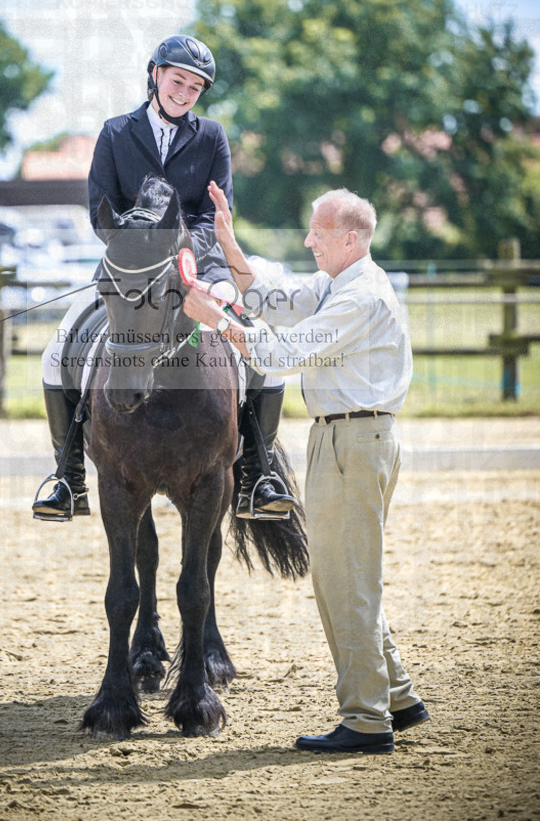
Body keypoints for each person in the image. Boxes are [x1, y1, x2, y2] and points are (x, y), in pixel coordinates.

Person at [183, 181, 430, 755]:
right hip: (349, 436)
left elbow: (283, 354)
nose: (307, 241)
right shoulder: (340, 281)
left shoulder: (358, 298)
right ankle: (396, 695)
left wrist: (217, 320)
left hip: (352, 440)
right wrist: (230, 247)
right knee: (350, 574)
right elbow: (278, 294)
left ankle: (367, 720)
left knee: (345, 581)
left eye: (316, 234)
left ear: (348, 238)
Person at [32, 35, 292, 522]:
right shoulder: (115, 132)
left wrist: (182, 249)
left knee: (262, 349)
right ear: (155, 74)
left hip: (198, 268)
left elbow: (217, 212)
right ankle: (68, 476)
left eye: (196, 87)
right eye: (178, 80)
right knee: (56, 351)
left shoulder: (211, 136)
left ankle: (258, 472)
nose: (185, 92)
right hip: (129, 267)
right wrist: (138, 239)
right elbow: (99, 209)